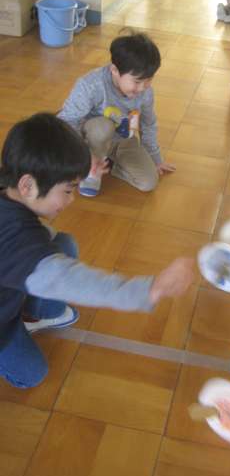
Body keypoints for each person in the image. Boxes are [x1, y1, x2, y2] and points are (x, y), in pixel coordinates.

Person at [0, 113, 194, 389]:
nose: (71, 199)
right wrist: (151, 290)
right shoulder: (17, 243)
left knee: (62, 243)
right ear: (27, 185)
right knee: (32, 374)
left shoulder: (9, 183)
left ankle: (31, 314)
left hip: (11, 285)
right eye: (68, 190)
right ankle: (18, 320)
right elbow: (75, 281)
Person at [58, 32, 175, 198]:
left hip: (123, 140)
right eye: (137, 81)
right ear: (114, 70)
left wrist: (155, 158)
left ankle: (109, 162)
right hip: (89, 141)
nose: (143, 87)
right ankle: (90, 172)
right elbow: (66, 121)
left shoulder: (146, 92)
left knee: (149, 182)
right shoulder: (91, 85)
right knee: (103, 127)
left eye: (149, 79)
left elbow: (148, 124)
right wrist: (85, 156)